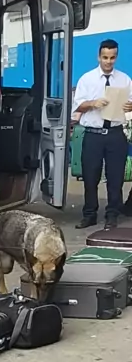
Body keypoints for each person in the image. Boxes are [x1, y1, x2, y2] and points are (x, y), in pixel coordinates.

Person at [73, 39, 132, 230]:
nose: (108, 61)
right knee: (90, 176)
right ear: (98, 57)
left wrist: (130, 106)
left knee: (115, 177)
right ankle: (89, 214)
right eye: (105, 57)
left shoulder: (124, 80)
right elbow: (77, 106)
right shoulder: (87, 79)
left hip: (116, 134)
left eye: (112, 58)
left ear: (116, 57)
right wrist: (93, 103)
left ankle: (112, 214)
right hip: (93, 135)